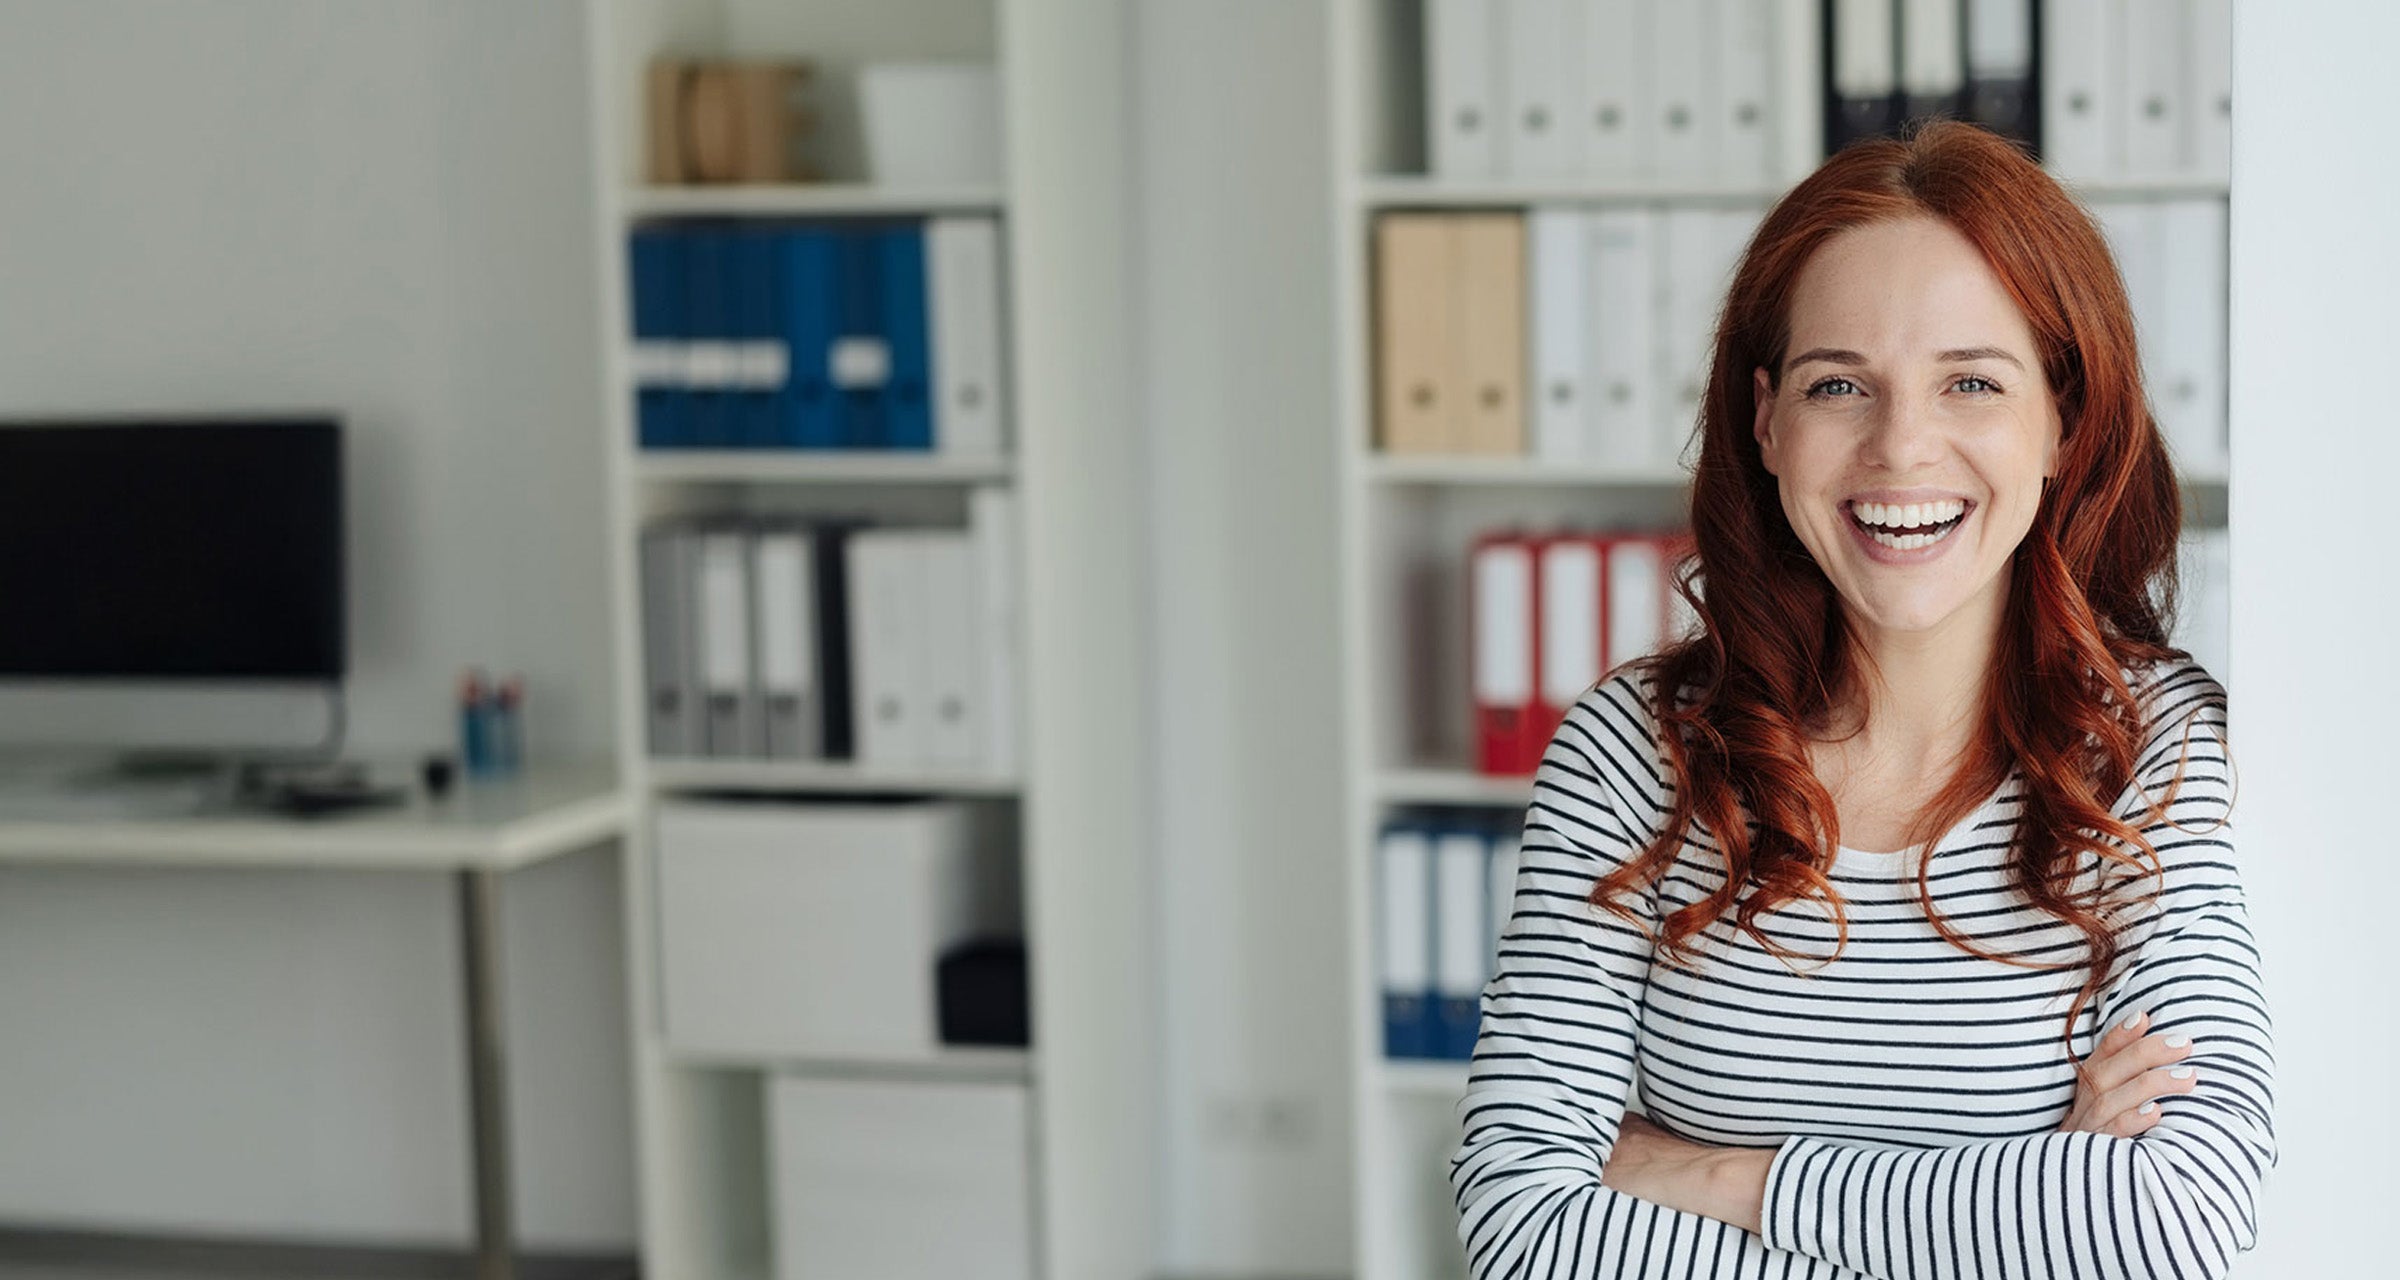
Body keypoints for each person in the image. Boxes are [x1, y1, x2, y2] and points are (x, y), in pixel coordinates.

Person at [1450, 119, 2272, 1279]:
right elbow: (1521, 1226)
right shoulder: (1632, 750)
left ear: (2062, 421)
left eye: (1971, 382)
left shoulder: (2157, 744)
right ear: (1766, 419)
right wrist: (2032, 1206)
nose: (1901, 446)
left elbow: (2177, 1216)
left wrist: (1717, 1175)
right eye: (1839, 384)